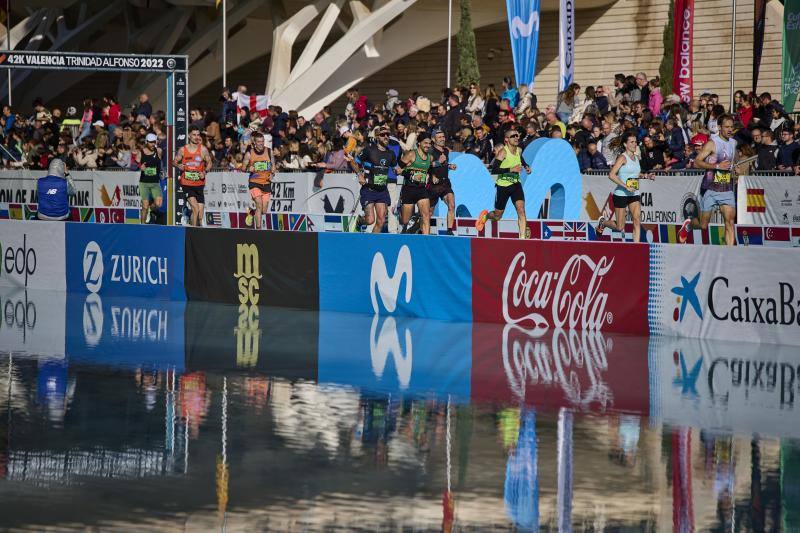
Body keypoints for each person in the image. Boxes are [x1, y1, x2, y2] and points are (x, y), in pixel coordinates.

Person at [679, 114, 737, 246]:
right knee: (703, 225)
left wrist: (736, 169)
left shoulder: (733, 143)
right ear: (719, 127)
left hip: (726, 188)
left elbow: (734, 162)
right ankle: (689, 224)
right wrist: (716, 166)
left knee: (729, 222)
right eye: (727, 127)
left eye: (732, 127)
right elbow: (697, 163)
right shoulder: (712, 143)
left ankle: (730, 254)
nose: (730, 129)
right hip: (710, 188)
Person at [596, 132, 653, 243]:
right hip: (621, 194)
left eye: (635, 142)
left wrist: (646, 175)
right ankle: (603, 222)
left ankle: (636, 248)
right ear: (625, 145)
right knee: (620, 227)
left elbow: (636, 174)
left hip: (634, 194)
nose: (634, 144)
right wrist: (626, 186)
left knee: (637, 220)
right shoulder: (622, 158)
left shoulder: (636, 158)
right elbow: (611, 175)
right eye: (631, 142)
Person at [475, 128, 530, 239]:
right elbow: (495, 170)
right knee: (497, 216)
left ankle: (523, 238)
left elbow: (521, 158)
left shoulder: (519, 150)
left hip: (516, 184)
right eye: (513, 136)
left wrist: (526, 166)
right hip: (503, 186)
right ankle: (485, 216)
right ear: (506, 140)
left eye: (517, 136)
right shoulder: (503, 152)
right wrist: (511, 169)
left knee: (521, 209)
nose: (516, 138)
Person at [348, 125, 399, 233]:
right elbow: (353, 162)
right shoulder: (369, 150)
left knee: (381, 221)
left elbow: (396, 168)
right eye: (382, 135)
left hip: (382, 190)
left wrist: (400, 170)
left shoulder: (391, 153)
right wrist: (359, 175)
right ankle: (360, 221)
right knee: (370, 220)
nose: (386, 137)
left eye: (387, 135)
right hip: (369, 189)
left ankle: (373, 242)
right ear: (377, 137)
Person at [172, 124, 212, 227]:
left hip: (199, 185)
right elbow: (174, 162)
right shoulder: (183, 150)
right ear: (189, 136)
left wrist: (204, 172)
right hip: (187, 184)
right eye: (194, 135)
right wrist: (178, 165)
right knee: (195, 208)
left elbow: (210, 163)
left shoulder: (203, 150)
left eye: (198, 135)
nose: (196, 137)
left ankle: (191, 220)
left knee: (200, 215)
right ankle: (192, 233)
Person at [398, 132, 433, 235]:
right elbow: (397, 169)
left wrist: (431, 176)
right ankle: (400, 211)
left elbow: (430, 170)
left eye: (429, 143)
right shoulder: (411, 154)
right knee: (405, 221)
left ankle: (426, 241)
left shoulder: (430, 158)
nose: (427, 145)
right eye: (425, 143)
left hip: (421, 189)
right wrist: (412, 175)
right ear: (419, 143)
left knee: (426, 216)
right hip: (408, 189)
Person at [241, 131, 274, 230]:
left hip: (266, 182)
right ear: (255, 142)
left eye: (262, 141)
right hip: (254, 182)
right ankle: (258, 230)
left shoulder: (269, 151)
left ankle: (251, 212)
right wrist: (248, 169)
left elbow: (273, 165)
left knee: (264, 210)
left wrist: (272, 174)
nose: (261, 143)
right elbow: (243, 168)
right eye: (259, 142)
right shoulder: (249, 153)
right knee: (259, 204)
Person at [428, 130, 458, 234]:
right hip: (433, 185)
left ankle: (449, 231)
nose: (442, 139)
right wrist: (433, 174)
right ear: (433, 139)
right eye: (439, 137)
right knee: (429, 212)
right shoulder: (430, 151)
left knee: (452, 204)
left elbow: (443, 164)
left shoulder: (445, 151)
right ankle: (418, 228)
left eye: (443, 136)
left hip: (445, 183)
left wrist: (449, 166)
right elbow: (427, 166)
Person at [139, 133, 163, 224]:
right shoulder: (141, 152)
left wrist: (162, 172)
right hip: (144, 182)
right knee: (144, 206)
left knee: (158, 204)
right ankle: (142, 225)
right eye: (151, 142)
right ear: (146, 142)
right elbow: (134, 165)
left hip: (155, 182)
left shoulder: (159, 151)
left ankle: (150, 209)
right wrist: (139, 167)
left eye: (154, 142)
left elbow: (160, 164)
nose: (153, 144)